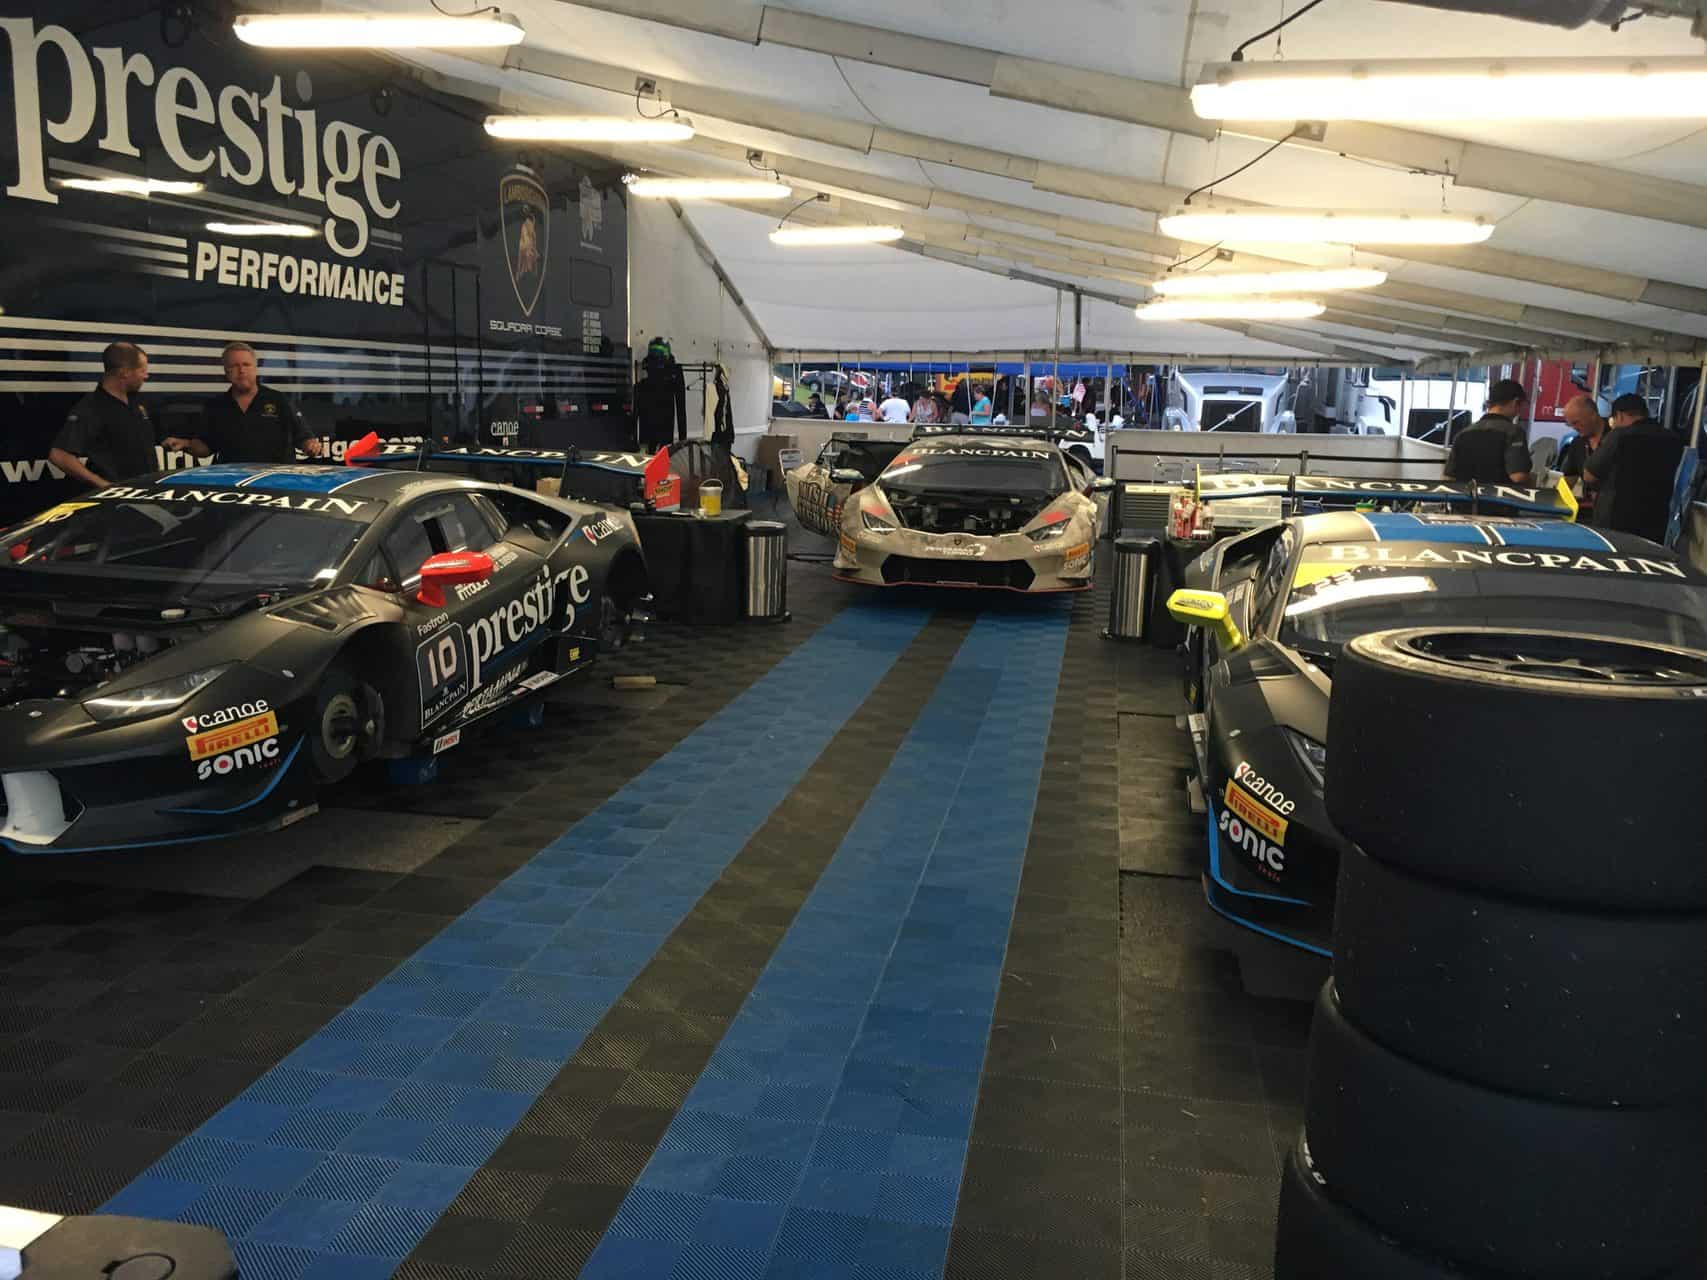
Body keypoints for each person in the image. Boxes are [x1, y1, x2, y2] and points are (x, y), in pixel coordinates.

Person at [165, 342, 321, 464]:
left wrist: (310, 446)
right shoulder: (216, 406)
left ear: (255, 368)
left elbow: (304, 438)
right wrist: (185, 444)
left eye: (246, 364)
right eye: (234, 366)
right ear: (226, 371)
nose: (241, 370)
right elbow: (206, 448)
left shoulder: (279, 400)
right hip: (234, 483)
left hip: (276, 482)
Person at [49, 341, 160, 490]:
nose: (146, 375)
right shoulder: (91, 407)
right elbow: (59, 455)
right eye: (142, 370)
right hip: (117, 499)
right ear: (125, 372)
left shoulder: (137, 402)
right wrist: (102, 484)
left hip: (147, 492)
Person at [1585, 393, 1686, 544]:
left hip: (1617, 520)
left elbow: (1589, 475)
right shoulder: (1672, 438)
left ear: (1619, 415)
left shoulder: (1619, 436)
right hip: (1656, 520)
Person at [1444, 378, 1532, 485]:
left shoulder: (1462, 434)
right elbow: (1518, 477)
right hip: (1497, 495)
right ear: (1515, 402)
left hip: (1466, 495)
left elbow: (1447, 478)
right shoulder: (1514, 433)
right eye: (1520, 406)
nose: (1518, 412)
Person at [1558, 394, 1609, 520]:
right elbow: (1568, 479)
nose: (1574, 428)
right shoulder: (1577, 443)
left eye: (1576, 422)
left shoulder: (1615, 437)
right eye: (1570, 425)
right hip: (1589, 512)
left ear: (1593, 415)